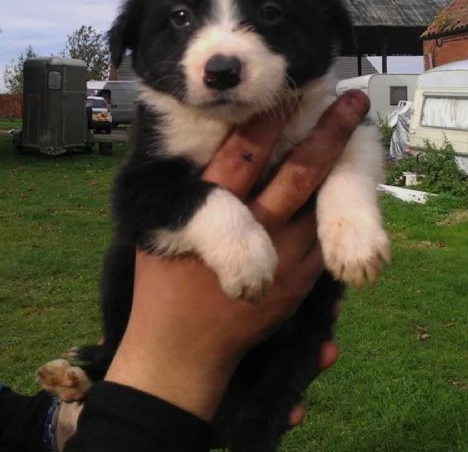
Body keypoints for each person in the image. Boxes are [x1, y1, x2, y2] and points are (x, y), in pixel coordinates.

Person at [0, 90, 369, 452]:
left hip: (284, 331)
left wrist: (63, 424)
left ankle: (103, 383)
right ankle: (108, 366)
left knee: (268, 402)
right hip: (160, 369)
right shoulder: (170, 121)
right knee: (124, 257)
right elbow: (141, 200)